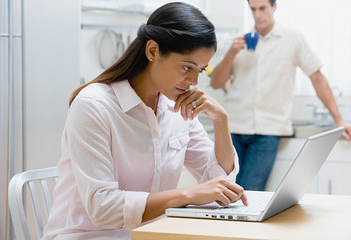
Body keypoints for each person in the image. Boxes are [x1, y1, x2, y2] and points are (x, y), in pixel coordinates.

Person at [41, 2, 248, 240]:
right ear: (152, 51)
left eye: (200, 70)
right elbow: (103, 208)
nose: (193, 81)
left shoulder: (176, 106)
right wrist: (188, 195)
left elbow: (219, 184)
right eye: (186, 67)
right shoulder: (93, 105)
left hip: (151, 234)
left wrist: (221, 121)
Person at [210, 0, 351, 191]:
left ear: (274, 7)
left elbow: (317, 79)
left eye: (262, 8)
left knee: (250, 191)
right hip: (233, 127)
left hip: (267, 131)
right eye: (253, 9)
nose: (258, 15)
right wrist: (231, 54)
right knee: (225, 190)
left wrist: (338, 119)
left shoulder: (293, 39)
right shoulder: (238, 41)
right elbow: (216, 82)